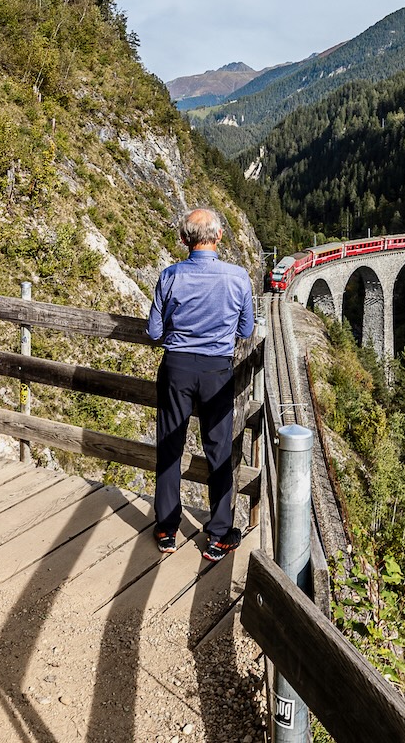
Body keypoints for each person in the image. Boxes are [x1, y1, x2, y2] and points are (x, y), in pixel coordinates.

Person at [146, 208, 256, 561]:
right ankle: (220, 535)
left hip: (176, 368)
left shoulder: (170, 275)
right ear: (219, 236)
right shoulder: (238, 278)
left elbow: (153, 332)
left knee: (170, 446)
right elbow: (245, 331)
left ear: (184, 240)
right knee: (219, 450)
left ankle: (166, 530)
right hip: (217, 371)